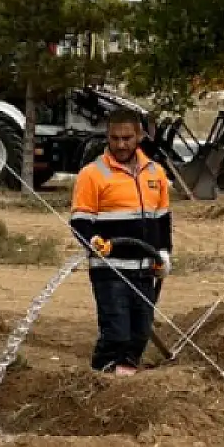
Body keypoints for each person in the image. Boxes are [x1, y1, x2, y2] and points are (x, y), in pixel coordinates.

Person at [70, 110, 172, 376]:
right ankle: (99, 378)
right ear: (107, 137)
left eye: (127, 138)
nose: (121, 144)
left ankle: (124, 385)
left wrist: (164, 254)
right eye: (115, 138)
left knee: (139, 334)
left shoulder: (155, 173)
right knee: (116, 333)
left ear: (139, 136)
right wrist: (93, 240)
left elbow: (162, 220)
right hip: (110, 269)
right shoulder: (92, 174)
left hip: (145, 268)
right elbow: (80, 221)